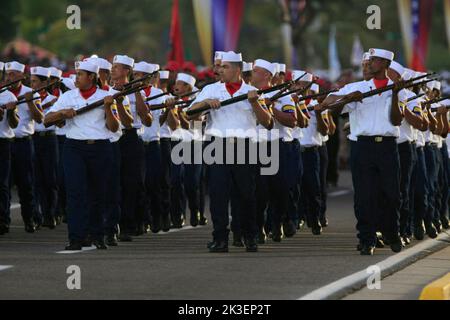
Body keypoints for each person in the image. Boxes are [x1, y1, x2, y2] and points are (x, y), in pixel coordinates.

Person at [320, 48, 404, 255]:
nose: (369, 64)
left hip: (387, 146)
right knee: (365, 196)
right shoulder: (357, 87)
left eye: (374, 61)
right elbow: (329, 104)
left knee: (391, 194)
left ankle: (391, 232)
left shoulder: (396, 88)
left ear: (385, 64)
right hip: (362, 146)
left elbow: (396, 120)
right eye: (369, 60)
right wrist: (347, 98)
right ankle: (366, 238)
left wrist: (394, 95)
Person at [189, 51, 272, 253]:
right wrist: (205, 104)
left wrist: (254, 103)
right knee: (218, 194)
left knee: (247, 194)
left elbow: (268, 123)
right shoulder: (211, 89)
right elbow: (190, 114)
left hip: (245, 146)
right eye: (219, 66)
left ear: (237, 70)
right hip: (217, 145)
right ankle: (220, 238)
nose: (219, 70)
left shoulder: (251, 91)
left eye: (224, 67)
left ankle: (250, 235)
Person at [45, 60, 119, 250]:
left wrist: (109, 107)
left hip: (100, 147)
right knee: (76, 193)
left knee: (98, 192)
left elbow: (114, 127)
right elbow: (47, 118)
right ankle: (76, 237)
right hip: (74, 148)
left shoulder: (107, 96)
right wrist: (62, 112)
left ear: (91, 77)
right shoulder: (69, 96)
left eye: (80, 74)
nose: (76, 78)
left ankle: (97, 235)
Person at [6, 61, 43, 232]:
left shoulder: (30, 93)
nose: (9, 77)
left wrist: (29, 102)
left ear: (22, 76)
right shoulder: (3, 93)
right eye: (8, 74)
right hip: (6, 142)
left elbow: (40, 118)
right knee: (4, 184)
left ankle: (30, 218)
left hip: (23, 142)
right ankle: (4, 221)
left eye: (13, 74)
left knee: (26, 183)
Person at [30, 66, 59, 229]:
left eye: (35, 81)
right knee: (36, 179)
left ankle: (50, 213)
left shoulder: (54, 99)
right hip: (33, 138)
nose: (32, 84)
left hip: (48, 139)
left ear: (44, 83)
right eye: (31, 81)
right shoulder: (27, 97)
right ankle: (37, 215)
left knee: (50, 178)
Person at [0, 89, 19, 235]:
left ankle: (3, 220)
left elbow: (14, 124)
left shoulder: (9, 96)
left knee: (2, 184)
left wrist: (10, 112)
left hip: (3, 142)